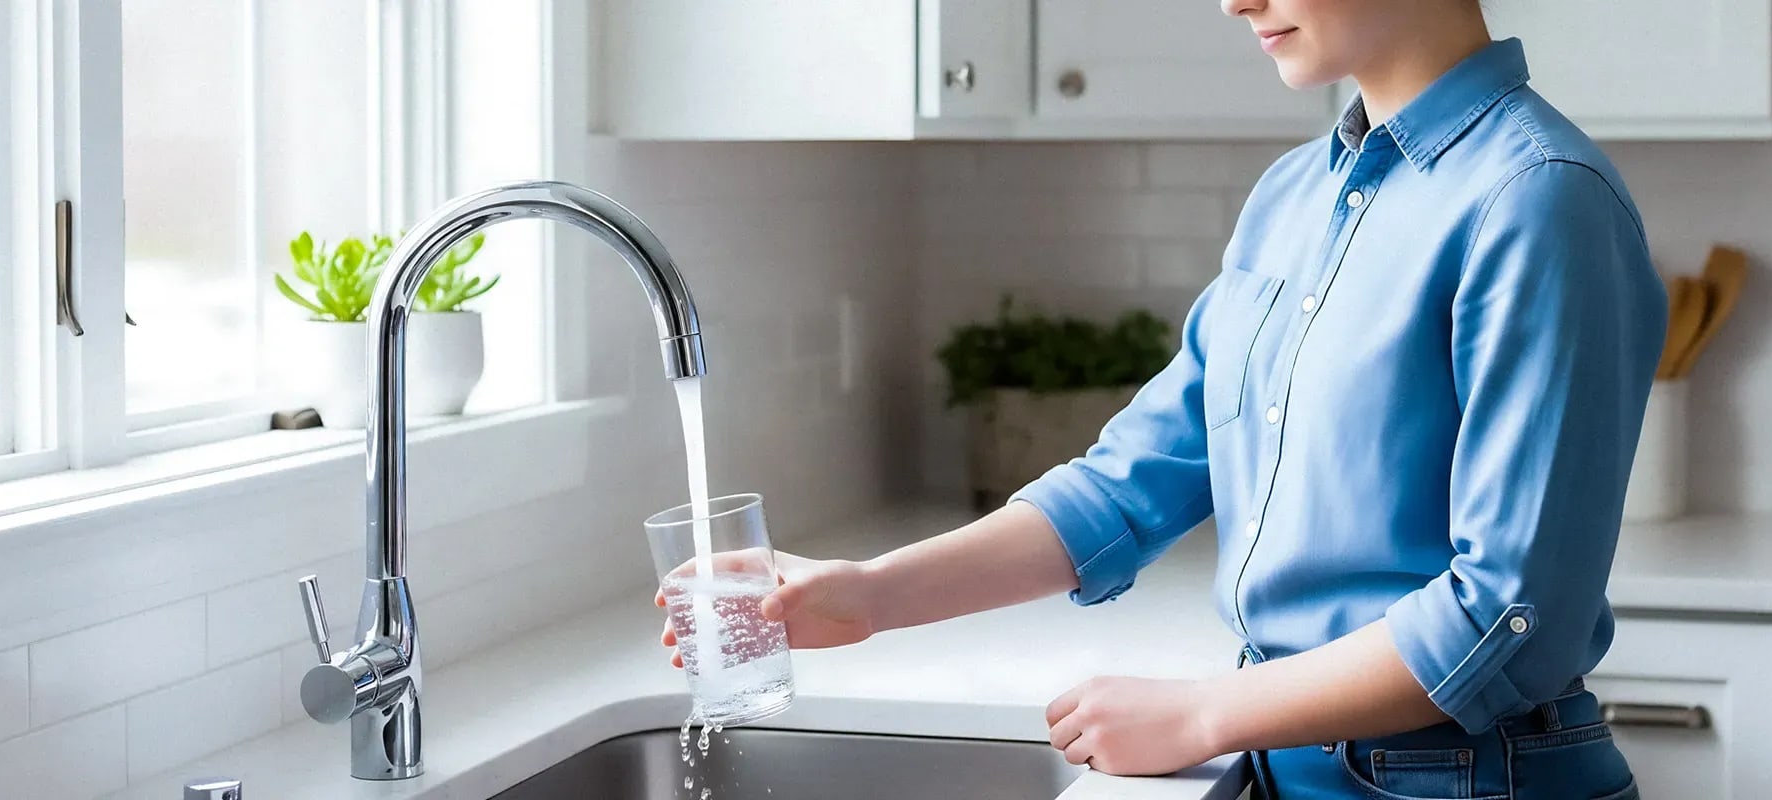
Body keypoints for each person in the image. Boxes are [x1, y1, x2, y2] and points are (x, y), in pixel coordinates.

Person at [658, 0, 1664, 795]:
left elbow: (1504, 616)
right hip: (1289, 773)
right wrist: (864, 593)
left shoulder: (1537, 199)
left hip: (1468, 785)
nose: (1232, 2)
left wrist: (1202, 714)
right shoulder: (1292, 198)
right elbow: (1126, 485)